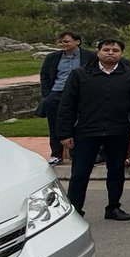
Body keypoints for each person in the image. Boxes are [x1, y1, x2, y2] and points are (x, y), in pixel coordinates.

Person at [56, 38, 130, 220]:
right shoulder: (80, 74)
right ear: (98, 52)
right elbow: (67, 105)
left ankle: (113, 207)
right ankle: (75, 210)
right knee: (80, 174)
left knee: (116, 172)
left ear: (121, 54)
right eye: (106, 49)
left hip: (118, 131)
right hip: (87, 131)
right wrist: (65, 133)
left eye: (115, 50)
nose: (110, 53)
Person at [39, 31, 98, 165]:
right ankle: (56, 154)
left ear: (77, 42)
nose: (63, 44)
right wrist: (47, 94)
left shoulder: (90, 56)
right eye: (61, 42)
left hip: (80, 95)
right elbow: (45, 76)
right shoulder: (52, 57)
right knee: (55, 125)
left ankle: (77, 153)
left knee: (81, 124)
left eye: (66, 41)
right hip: (57, 93)